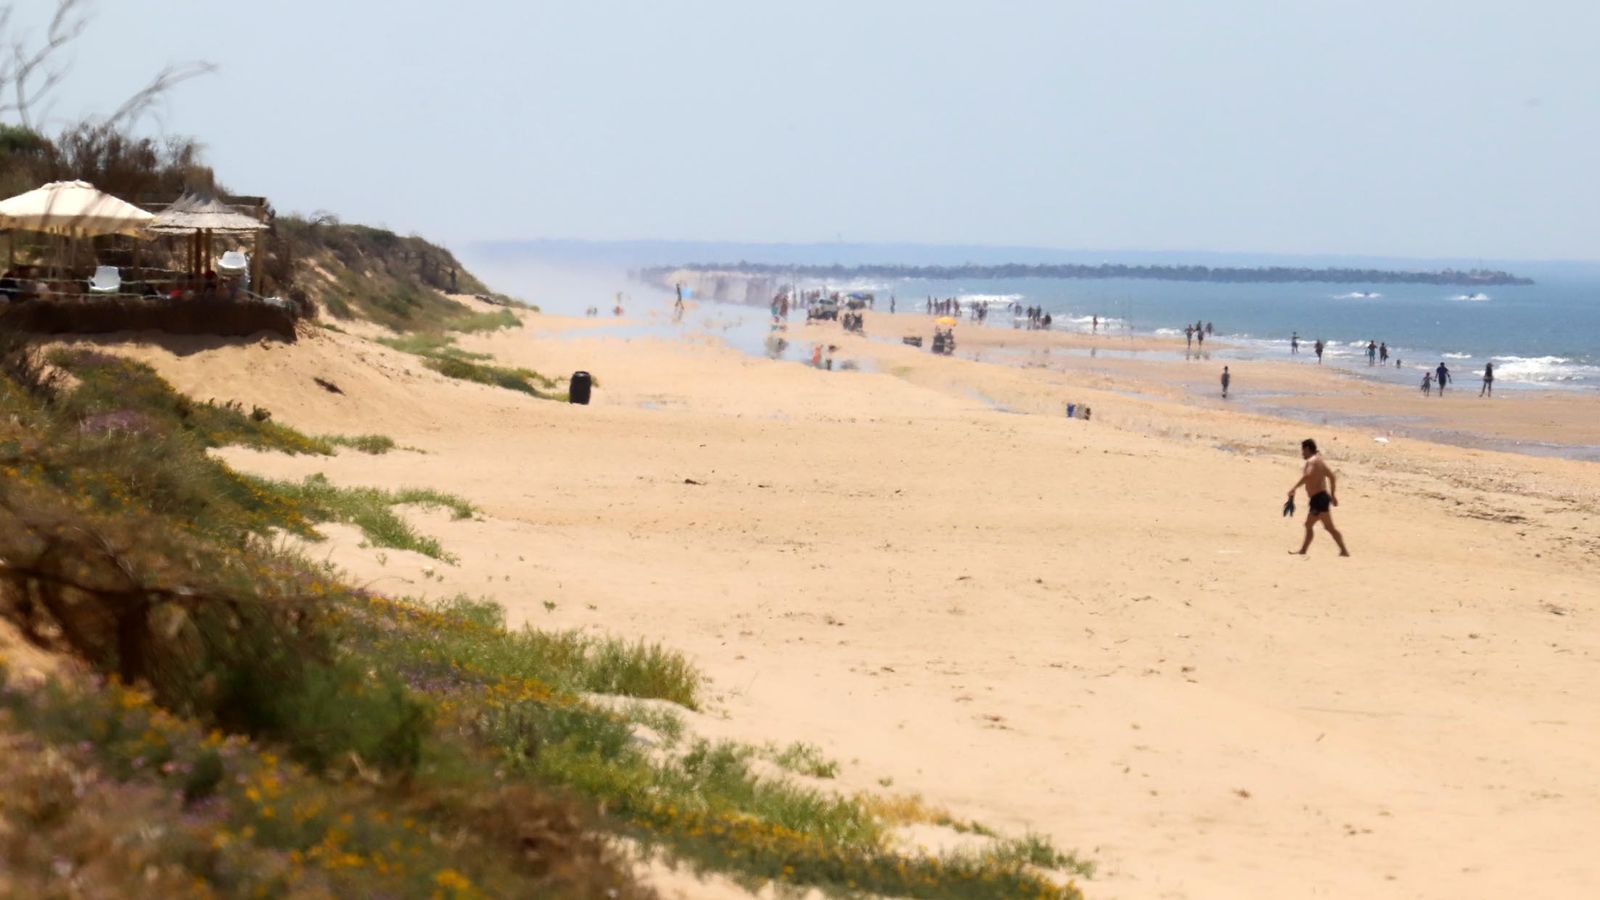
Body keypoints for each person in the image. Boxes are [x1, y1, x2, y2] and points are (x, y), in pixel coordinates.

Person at [1287, 438, 1350, 556]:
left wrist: (1294, 488)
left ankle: (1343, 551)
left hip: (1318, 500)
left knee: (1325, 527)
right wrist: (1333, 495)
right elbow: (1332, 477)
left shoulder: (1311, 461)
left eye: (1303, 450)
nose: (1302, 453)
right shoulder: (1320, 461)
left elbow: (1308, 475)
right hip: (1321, 498)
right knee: (1315, 525)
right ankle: (1305, 550)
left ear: (1307, 449)